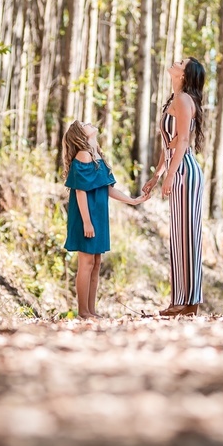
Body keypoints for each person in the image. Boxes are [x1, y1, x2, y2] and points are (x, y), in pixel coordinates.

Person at [62, 121, 149, 318]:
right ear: (80, 135)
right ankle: (83, 312)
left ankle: (91, 310)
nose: (89, 123)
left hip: (98, 217)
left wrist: (132, 201)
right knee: (86, 262)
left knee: (96, 262)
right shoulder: (83, 155)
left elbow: (107, 188)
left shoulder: (96, 155)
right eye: (84, 124)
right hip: (87, 216)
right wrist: (86, 221)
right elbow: (81, 191)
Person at [142, 57, 206, 316]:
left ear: (185, 73)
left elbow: (182, 142)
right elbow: (168, 143)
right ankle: (183, 301)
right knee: (179, 236)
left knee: (187, 235)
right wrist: (157, 174)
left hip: (185, 171)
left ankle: (188, 301)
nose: (174, 62)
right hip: (176, 169)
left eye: (180, 62)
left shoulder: (182, 101)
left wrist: (170, 174)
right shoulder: (173, 99)